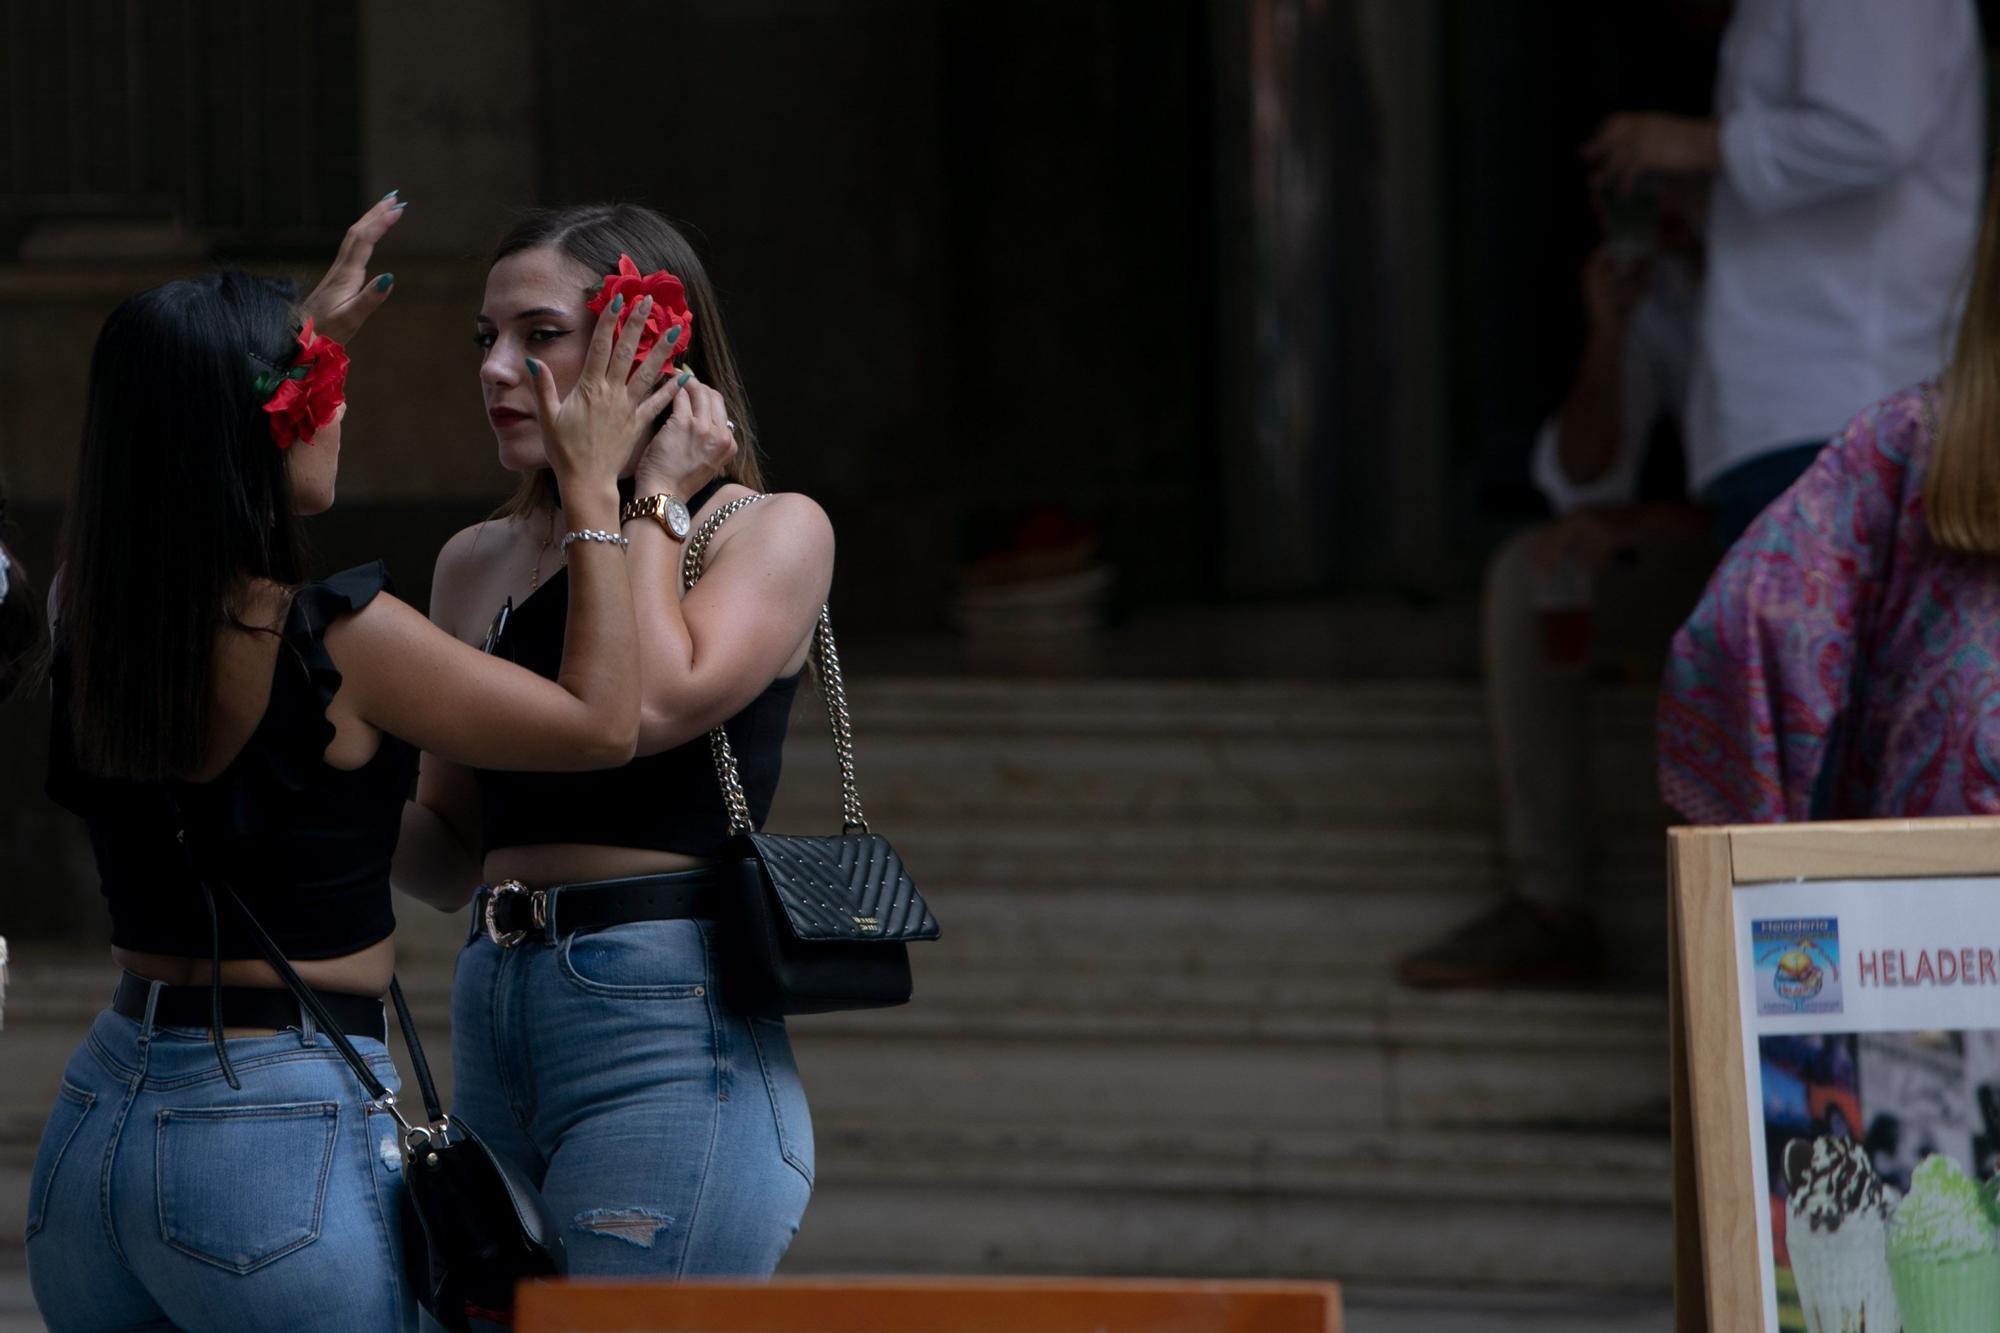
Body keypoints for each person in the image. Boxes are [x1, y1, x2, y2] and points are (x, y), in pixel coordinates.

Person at [24, 193, 696, 1330]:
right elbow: (598, 724)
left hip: (95, 1129)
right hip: (264, 1135)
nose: (337, 411)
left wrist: (294, 350)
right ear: (267, 425)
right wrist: (596, 489)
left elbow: (177, 446)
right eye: (318, 393)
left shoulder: (86, 616)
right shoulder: (341, 639)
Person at [393, 203, 834, 1276]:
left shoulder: (768, 529)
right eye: (484, 339)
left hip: (662, 1003)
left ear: (649, 338)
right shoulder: (476, 560)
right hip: (495, 996)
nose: (498, 368)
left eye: (538, 335)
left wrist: (648, 498)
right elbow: (447, 849)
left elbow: (636, 708)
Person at [1398, 222, 1711, 988]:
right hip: (1712, 555)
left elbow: (1835, 496)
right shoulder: (1669, 295)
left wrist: (1648, 522)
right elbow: (1580, 481)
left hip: (1820, 558)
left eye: (1647, 179)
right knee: (1533, 573)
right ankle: (1552, 907)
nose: (1635, 206)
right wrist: (1610, 330)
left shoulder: (1830, 279)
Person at [1659, 153, 2000, 825]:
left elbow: (1745, 624)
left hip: (1937, 901)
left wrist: (1760, 857)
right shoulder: (1913, 445)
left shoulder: (1914, 441)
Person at [1582, 0, 1983, 546]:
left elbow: (1873, 133)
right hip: (1815, 413)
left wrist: (1703, 143)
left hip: (1836, 406)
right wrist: (1707, 196)